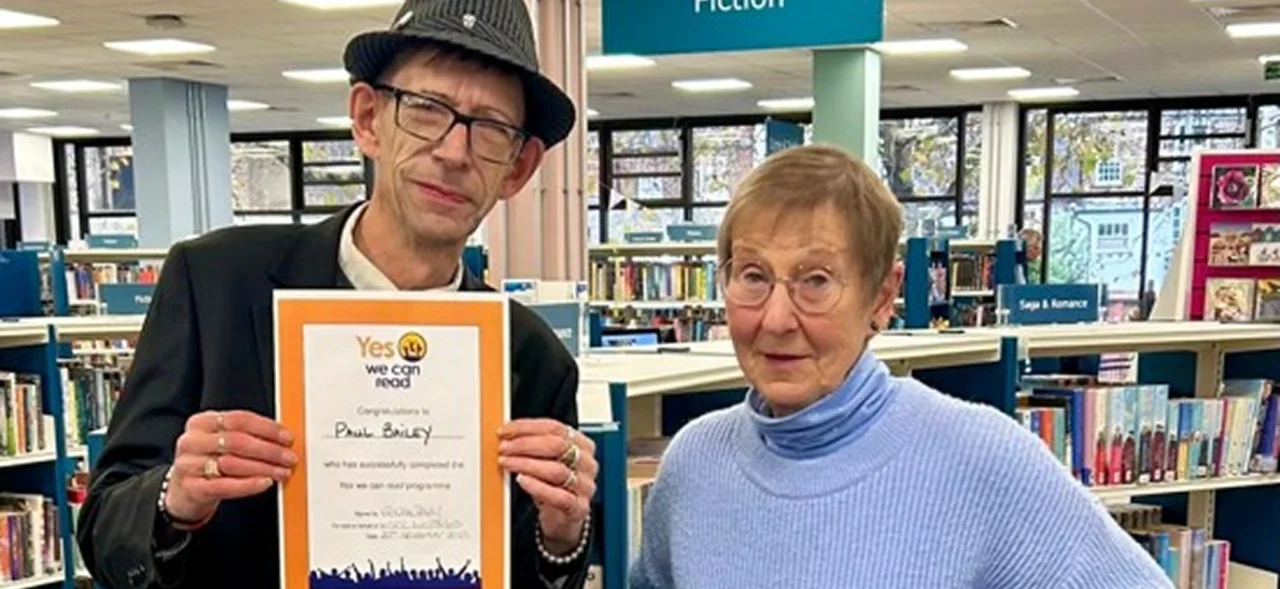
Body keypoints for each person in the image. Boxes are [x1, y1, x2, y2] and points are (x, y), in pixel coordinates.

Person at [77, 1, 597, 588]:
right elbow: (104, 529)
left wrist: (561, 537)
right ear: (368, 118)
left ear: (518, 169)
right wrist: (174, 498)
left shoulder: (531, 357)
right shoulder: (214, 283)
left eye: (492, 129)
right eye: (426, 110)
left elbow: (532, 574)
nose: (454, 152)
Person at [628, 144, 1174, 588]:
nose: (775, 318)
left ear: (882, 297)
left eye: (815, 281)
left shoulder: (981, 457)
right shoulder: (694, 464)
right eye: (753, 275)